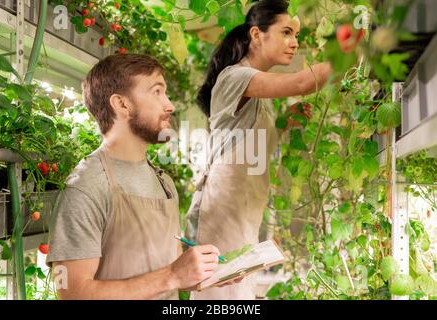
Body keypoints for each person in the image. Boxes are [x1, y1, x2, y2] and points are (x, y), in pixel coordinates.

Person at [187, 0, 333, 300]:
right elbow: (303, 82)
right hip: (223, 216)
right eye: (287, 32)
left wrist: (283, 124)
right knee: (222, 299)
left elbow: (247, 141)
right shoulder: (235, 76)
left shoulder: (256, 90)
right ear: (257, 35)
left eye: (296, 36)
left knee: (238, 294)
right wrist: (351, 48)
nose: (294, 43)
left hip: (244, 214)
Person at [46, 54, 223, 300]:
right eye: (157, 92)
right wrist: (172, 275)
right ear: (122, 104)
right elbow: (73, 294)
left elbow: (164, 272)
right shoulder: (86, 187)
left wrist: (204, 274)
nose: (169, 104)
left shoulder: (164, 182)